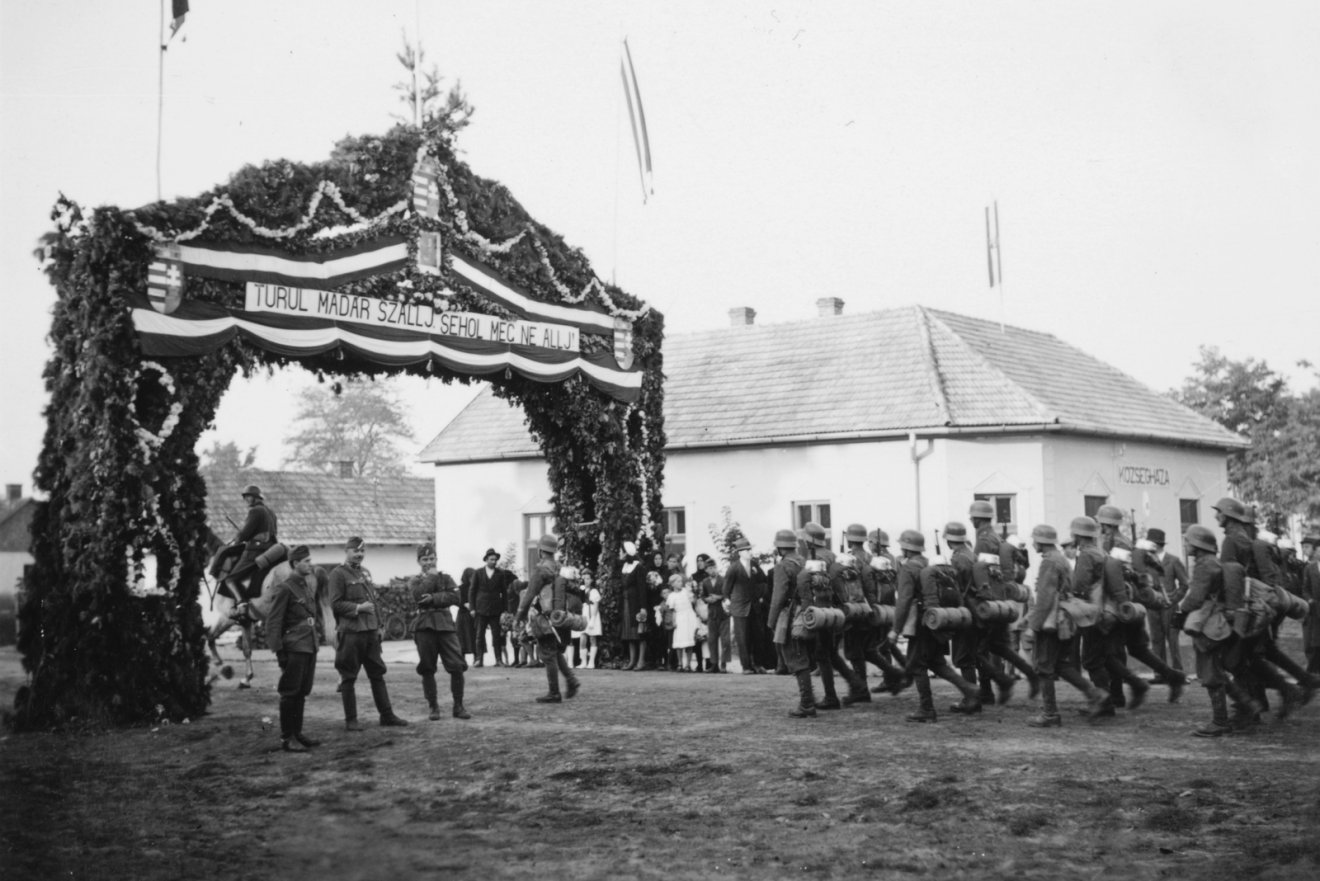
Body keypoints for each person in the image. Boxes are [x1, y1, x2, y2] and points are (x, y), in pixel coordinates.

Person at [1174, 525, 1261, 737]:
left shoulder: (1205, 565)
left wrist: (1180, 611)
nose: (1186, 546)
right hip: (1217, 622)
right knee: (1218, 671)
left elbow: (1195, 597)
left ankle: (1221, 721)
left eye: (1188, 542)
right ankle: (1249, 706)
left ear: (1198, 545)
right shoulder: (1214, 563)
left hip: (1209, 625)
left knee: (1211, 673)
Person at [890, 530, 981, 723]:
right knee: (937, 663)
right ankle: (969, 688)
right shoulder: (929, 563)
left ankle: (926, 708)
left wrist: (895, 629)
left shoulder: (908, 569)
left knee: (917, 665)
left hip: (921, 623)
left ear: (906, 548)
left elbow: (904, 600)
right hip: (934, 620)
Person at [1024, 526, 1108, 727]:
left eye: (1034, 539)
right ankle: (1095, 694)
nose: (1033, 543)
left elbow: (1044, 598)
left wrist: (1033, 626)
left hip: (1051, 620)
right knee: (1061, 665)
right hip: (1066, 617)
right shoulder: (1060, 558)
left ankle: (1050, 714)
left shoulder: (1049, 562)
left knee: (1044, 666)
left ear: (1040, 541)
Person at [328, 536, 409, 730]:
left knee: (377, 674)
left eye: (362, 551)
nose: (359, 554)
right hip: (351, 633)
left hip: (370, 633)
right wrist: (358, 608)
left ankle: (387, 715)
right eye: (355, 551)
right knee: (348, 677)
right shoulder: (338, 574)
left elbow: (374, 601)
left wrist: (379, 625)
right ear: (346, 551)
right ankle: (351, 720)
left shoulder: (365, 573)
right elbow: (336, 604)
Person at [265, 545, 322, 751]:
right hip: (294, 647)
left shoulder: (305, 586)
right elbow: (273, 621)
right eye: (306, 561)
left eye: (309, 560)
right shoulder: (286, 588)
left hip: (308, 645)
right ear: (295, 564)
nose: (310, 564)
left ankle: (297, 733)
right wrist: (279, 651)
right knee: (290, 692)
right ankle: (287, 737)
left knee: (302, 691)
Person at [516, 534, 580, 703]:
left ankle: (554, 692)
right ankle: (571, 680)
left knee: (547, 654)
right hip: (560, 616)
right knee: (555, 651)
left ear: (541, 551)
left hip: (545, 617)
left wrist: (518, 617)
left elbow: (529, 595)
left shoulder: (541, 570)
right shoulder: (559, 568)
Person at [410, 543, 469, 721]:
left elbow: (456, 597)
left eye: (431, 558)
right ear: (419, 561)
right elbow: (419, 597)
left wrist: (434, 598)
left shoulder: (447, 578)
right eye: (424, 559)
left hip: (445, 625)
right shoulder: (414, 580)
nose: (429, 562)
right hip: (424, 626)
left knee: (457, 665)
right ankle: (433, 706)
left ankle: (458, 706)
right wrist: (431, 579)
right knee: (427, 668)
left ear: (436, 558)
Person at [766, 527, 814, 717]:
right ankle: (809, 701)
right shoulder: (804, 561)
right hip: (807, 614)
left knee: (795, 657)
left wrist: (771, 622)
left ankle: (807, 704)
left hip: (791, 615)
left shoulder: (783, 566)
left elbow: (778, 597)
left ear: (780, 547)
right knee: (802, 656)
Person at [221, 484, 279, 616]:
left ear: (255, 498)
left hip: (256, 551)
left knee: (230, 579)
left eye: (248, 497)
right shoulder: (270, 512)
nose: (246, 500)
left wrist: (236, 540)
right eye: (245, 498)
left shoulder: (255, 511)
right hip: (271, 549)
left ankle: (241, 604)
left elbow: (245, 534)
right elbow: (273, 532)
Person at [1143, 528, 1188, 679]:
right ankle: (1160, 674)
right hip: (1153, 606)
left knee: (1173, 640)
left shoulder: (1173, 560)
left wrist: (1173, 599)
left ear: (1157, 544)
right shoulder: (1146, 562)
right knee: (1156, 640)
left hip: (1170, 607)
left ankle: (1179, 673)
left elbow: (1184, 584)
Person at [725, 538, 762, 673]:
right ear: (739, 553)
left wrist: (759, 595)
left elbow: (762, 581)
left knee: (756, 636)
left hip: (754, 606)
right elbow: (726, 589)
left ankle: (757, 664)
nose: (749, 552)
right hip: (740, 608)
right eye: (746, 550)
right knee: (742, 637)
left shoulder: (755, 565)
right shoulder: (733, 568)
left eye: (749, 550)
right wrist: (734, 602)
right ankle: (746, 666)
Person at [470, 548, 511, 667]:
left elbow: (504, 592)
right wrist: (472, 608)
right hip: (480, 608)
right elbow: (472, 591)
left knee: (496, 635)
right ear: (486, 560)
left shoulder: (500, 573)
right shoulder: (478, 573)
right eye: (491, 559)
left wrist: (505, 610)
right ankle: (479, 659)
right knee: (479, 635)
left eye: (495, 559)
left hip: (496, 609)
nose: (494, 561)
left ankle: (498, 660)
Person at [698, 554, 731, 673]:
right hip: (712, 613)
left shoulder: (723, 580)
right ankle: (714, 664)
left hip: (723, 612)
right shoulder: (705, 582)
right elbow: (702, 596)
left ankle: (724, 664)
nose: (712, 570)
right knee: (712, 640)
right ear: (706, 570)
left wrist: (718, 597)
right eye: (709, 568)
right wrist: (707, 600)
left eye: (714, 567)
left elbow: (728, 594)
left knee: (725, 640)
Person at [619, 541, 648, 670]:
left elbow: (642, 588)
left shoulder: (638, 567)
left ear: (627, 553)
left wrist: (643, 607)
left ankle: (641, 661)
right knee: (629, 634)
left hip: (635, 603)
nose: (620, 554)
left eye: (622, 551)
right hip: (626, 603)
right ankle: (632, 660)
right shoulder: (624, 566)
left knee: (639, 633)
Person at [667, 574, 700, 671]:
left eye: (681, 581)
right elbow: (673, 610)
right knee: (679, 642)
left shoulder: (686, 592)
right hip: (679, 618)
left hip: (689, 617)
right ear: (672, 584)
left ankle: (688, 664)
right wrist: (674, 621)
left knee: (689, 642)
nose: (680, 583)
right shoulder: (672, 596)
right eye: (678, 581)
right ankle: (680, 664)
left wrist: (692, 592)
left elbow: (693, 601)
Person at [580, 570, 602, 669]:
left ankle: (591, 662)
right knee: (583, 637)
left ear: (592, 580)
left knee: (593, 638)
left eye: (588, 579)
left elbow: (596, 605)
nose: (586, 581)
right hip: (584, 614)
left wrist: (593, 619)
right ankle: (583, 661)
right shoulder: (581, 590)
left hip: (592, 614)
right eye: (584, 578)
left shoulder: (594, 591)